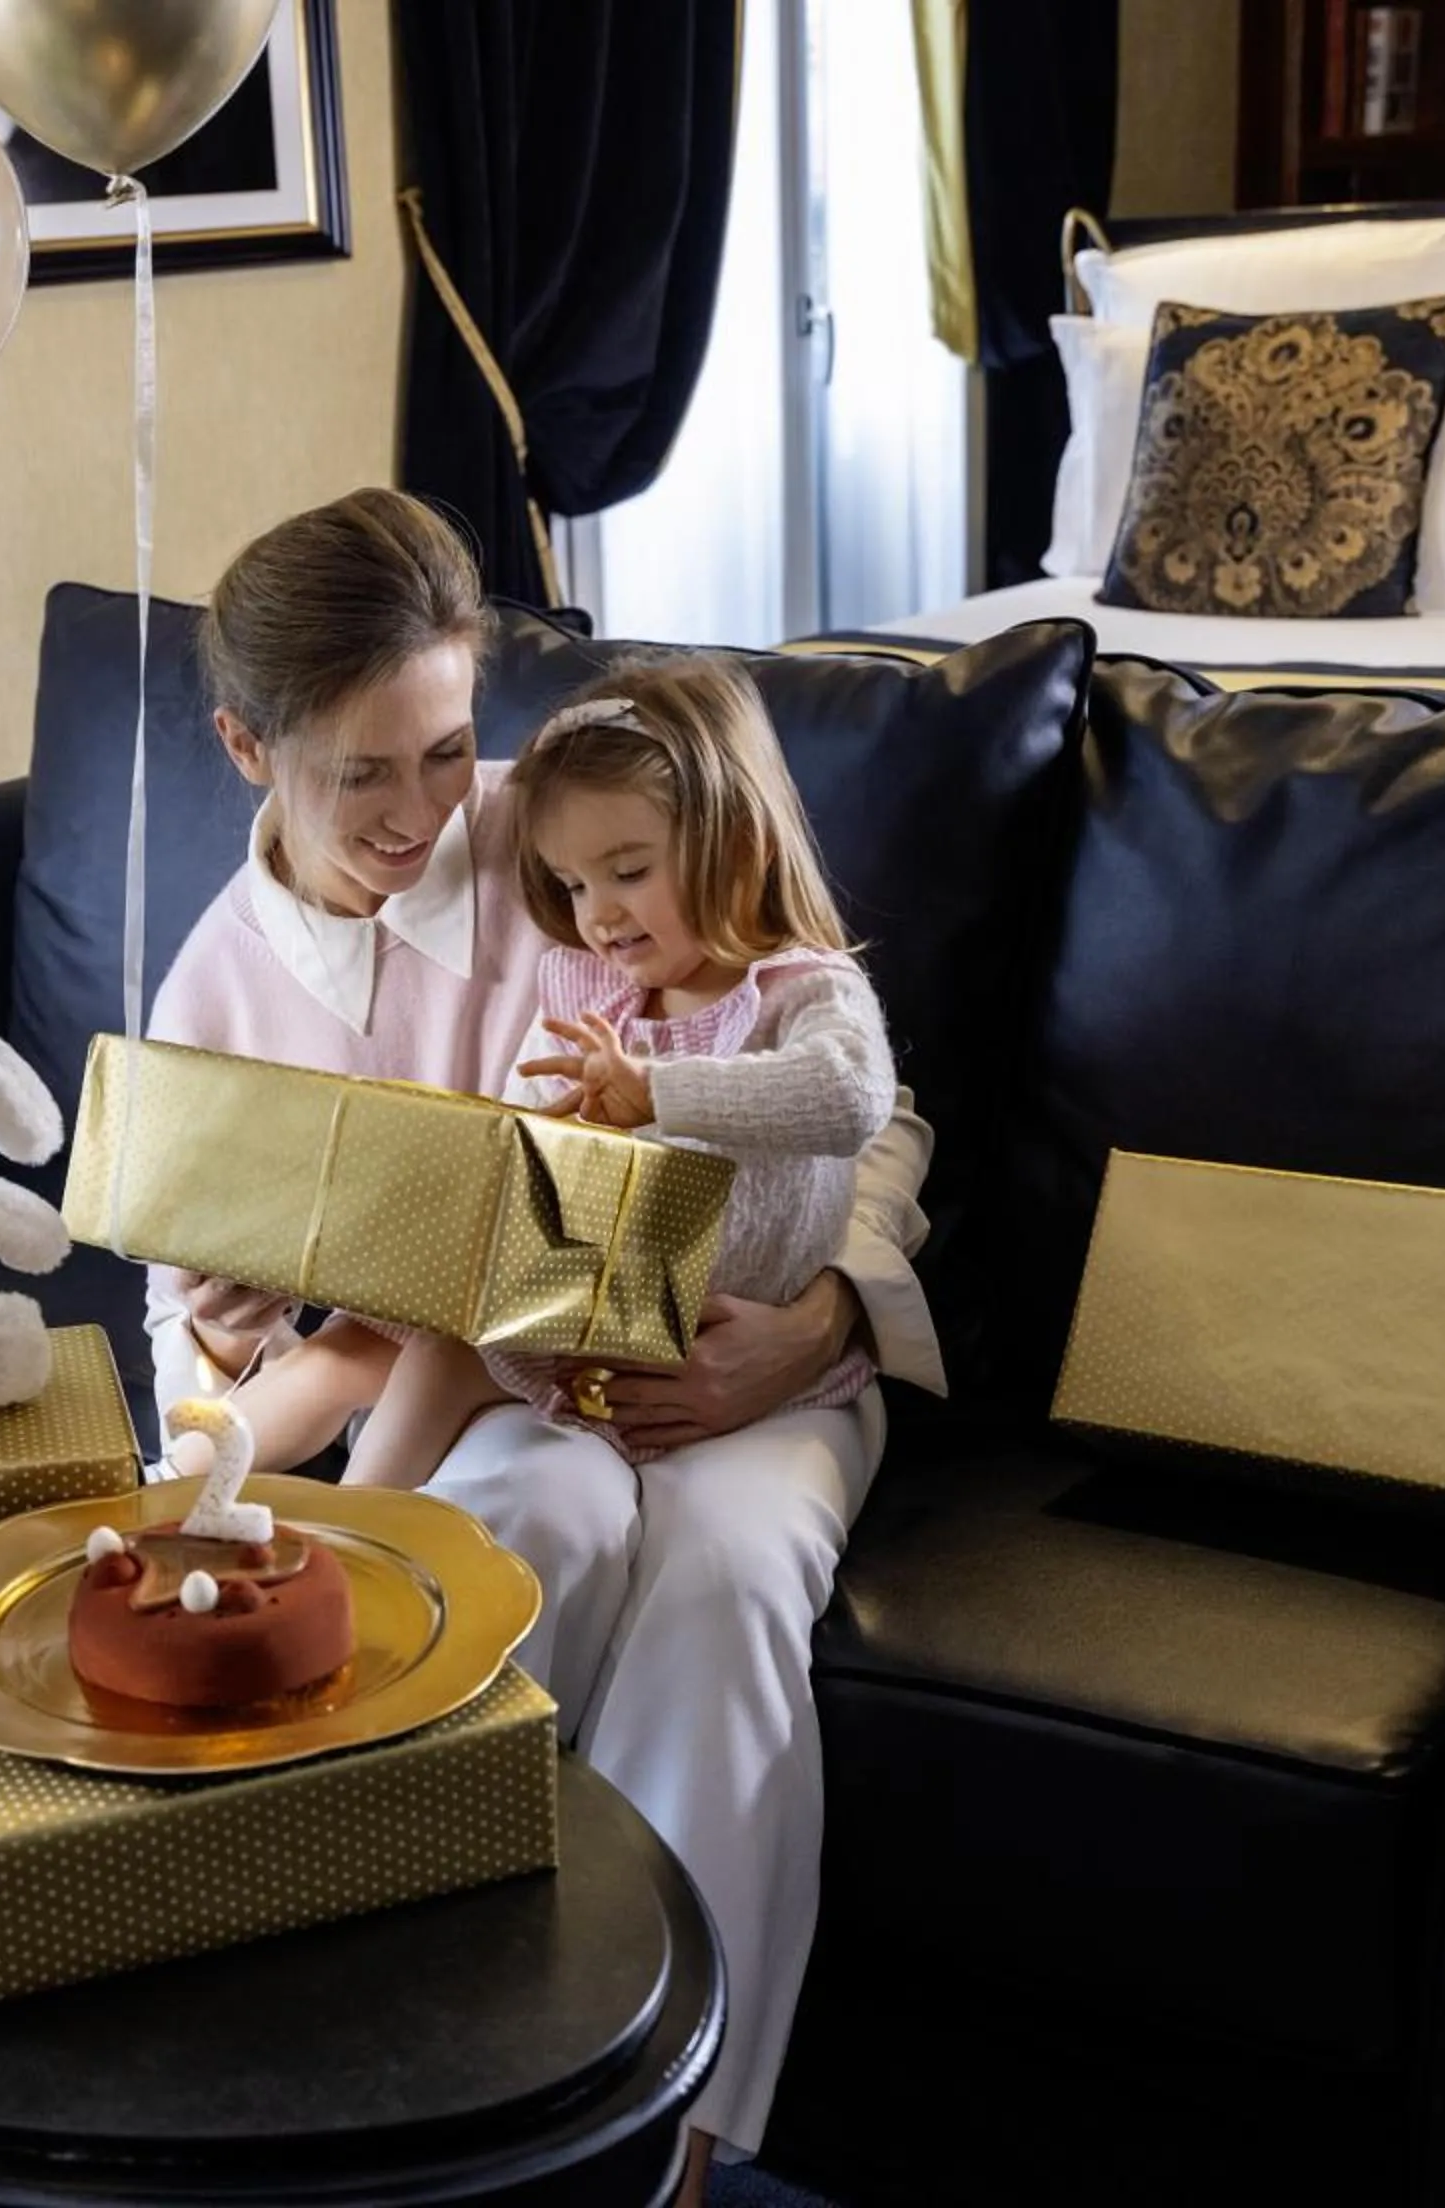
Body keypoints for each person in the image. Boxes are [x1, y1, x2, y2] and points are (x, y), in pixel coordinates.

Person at [143, 488, 947, 2199]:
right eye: (367, 772)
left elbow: (860, 1100)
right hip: (502, 1397)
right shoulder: (210, 991)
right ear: (243, 744)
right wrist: (220, 1364)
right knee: (527, 1530)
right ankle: (448, 2077)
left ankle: (679, 2137)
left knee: (728, 1571)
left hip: (737, 1358)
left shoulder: (565, 831)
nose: (425, 813)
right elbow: (204, 1337)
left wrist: (812, 1329)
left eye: (448, 749)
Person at [229, 656, 896, 1493]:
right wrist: (563, 1133)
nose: (599, 914)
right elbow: (520, 1141)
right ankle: (306, 1524)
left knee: (402, 1346)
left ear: (739, 843)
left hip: (730, 1356)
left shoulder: (803, 989)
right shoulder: (594, 996)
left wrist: (658, 1093)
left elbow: (852, 1098)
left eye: (628, 872)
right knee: (407, 1341)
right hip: (597, 1324)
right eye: (574, 884)